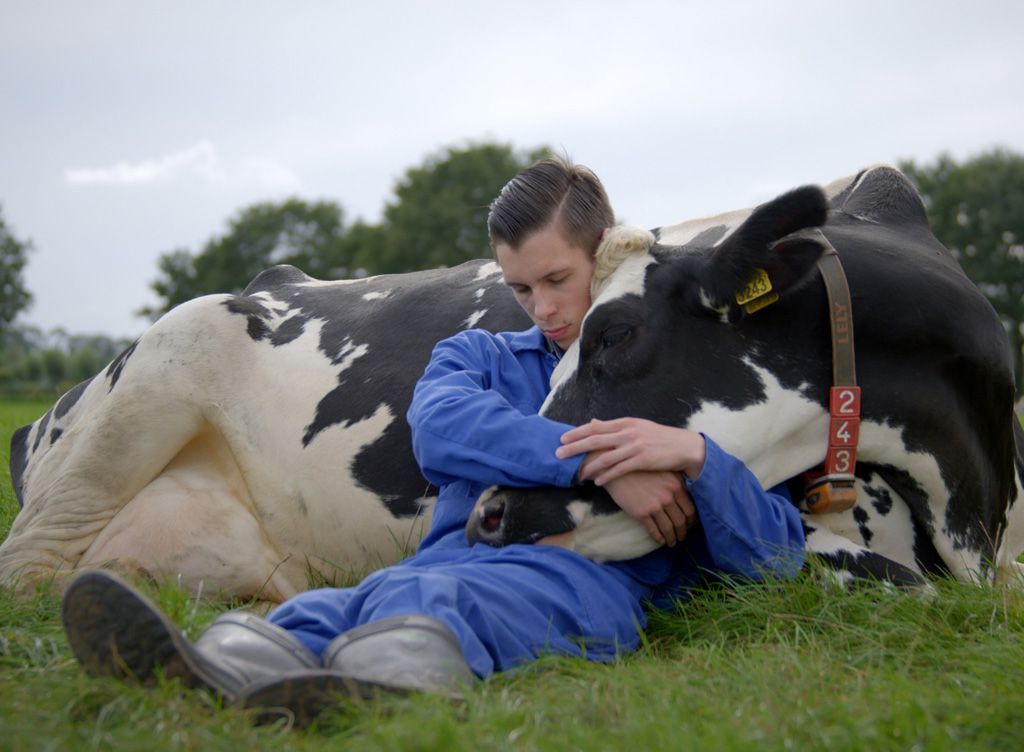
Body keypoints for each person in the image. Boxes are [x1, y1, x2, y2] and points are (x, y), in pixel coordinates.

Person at [62, 157, 805, 725]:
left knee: (435, 601)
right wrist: (603, 466)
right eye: (520, 289)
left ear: (605, 256)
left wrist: (697, 459)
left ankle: (376, 674)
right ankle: (226, 662)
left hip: (589, 579)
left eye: (557, 279)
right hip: (452, 552)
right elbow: (440, 429)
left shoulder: (665, 376)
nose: (542, 310)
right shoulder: (479, 356)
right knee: (357, 601)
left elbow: (776, 553)